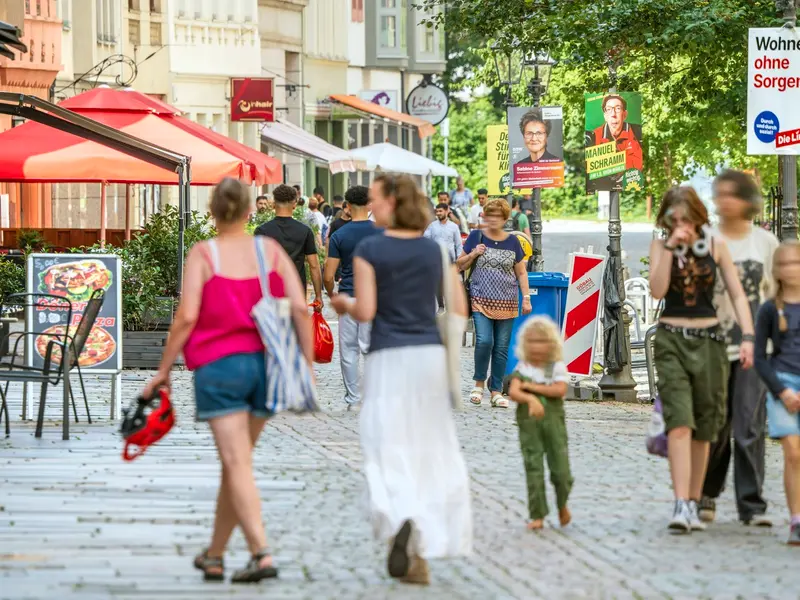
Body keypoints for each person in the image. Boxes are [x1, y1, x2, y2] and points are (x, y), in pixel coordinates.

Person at [142, 178, 313, 583]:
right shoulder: (269, 250)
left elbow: (186, 317)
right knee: (237, 463)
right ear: (251, 210)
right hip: (266, 368)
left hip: (219, 368)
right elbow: (300, 310)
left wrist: (164, 370)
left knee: (236, 462)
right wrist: (304, 366)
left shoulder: (205, 253)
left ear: (213, 211)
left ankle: (261, 553)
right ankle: (215, 554)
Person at [330, 173, 472, 585]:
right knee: (428, 448)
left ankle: (400, 517)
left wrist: (343, 302)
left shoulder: (371, 249)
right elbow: (457, 303)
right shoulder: (433, 249)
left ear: (392, 202)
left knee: (386, 444)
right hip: (428, 355)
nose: (370, 206)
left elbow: (368, 310)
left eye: (375, 199)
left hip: (389, 357)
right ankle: (420, 550)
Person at [649, 186, 754, 533]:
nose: (681, 225)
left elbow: (737, 294)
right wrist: (668, 245)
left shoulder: (714, 244)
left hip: (709, 340)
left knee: (706, 425)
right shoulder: (661, 243)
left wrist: (749, 336)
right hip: (671, 339)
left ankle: (694, 502)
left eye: (687, 219)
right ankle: (681, 504)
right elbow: (658, 290)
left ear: (698, 216)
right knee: (680, 420)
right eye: (673, 219)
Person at [699, 170, 778, 527]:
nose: (724, 201)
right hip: (711, 346)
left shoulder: (765, 243)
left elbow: (775, 295)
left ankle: (752, 504)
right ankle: (706, 495)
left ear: (747, 200)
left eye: (732, 194)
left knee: (749, 426)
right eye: (720, 194)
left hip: (755, 349)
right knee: (715, 425)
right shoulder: (706, 238)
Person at [457, 198, 532, 408]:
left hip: (507, 302)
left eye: (498, 216)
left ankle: (497, 391)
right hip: (480, 300)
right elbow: (458, 265)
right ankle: (478, 384)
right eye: (489, 216)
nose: (493, 220)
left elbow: (521, 272)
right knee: (483, 341)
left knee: (500, 348)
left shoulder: (513, 242)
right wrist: (473, 253)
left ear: (505, 219)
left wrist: (525, 298)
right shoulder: (476, 236)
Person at [754, 241, 800, 545]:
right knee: (794, 454)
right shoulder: (770, 308)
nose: (790, 269)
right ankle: (797, 520)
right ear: (777, 270)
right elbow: (759, 357)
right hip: (783, 383)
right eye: (784, 264)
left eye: (795, 263)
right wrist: (782, 391)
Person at [507, 316, 573, 531]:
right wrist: (530, 399)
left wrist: (533, 389)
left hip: (553, 421)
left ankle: (562, 503)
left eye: (542, 341)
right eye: (532, 342)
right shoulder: (523, 367)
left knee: (560, 470)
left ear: (551, 343)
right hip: (529, 423)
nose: (537, 347)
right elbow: (514, 391)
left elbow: (559, 390)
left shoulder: (555, 367)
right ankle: (537, 514)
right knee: (533, 466)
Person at [324, 185, 383, 408]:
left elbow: (329, 274)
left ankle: (353, 398)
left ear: (347, 206)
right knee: (370, 348)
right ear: (369, 205)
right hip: (373, 296)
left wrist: (332, 294)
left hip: (348, 295)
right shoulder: (381, 231)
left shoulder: (339, 235)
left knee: (348, 350)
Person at [254, 184, 323, 309]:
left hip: (271, 292)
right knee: (295, 327)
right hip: (296, 290)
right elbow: (314, 265)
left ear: (273, 204)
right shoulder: (305, 231)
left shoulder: (262, 230)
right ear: (294, 204)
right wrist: (318, 295)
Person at [587, 94, 643, 172]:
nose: (613, 114)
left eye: (618, 108)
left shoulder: (638, 133)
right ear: (605, 116)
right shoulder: (593, 137)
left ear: (625, 114)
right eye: (609, 109)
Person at [424, 202, 463, 311]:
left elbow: (458, 245)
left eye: (441, 211)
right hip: (435, 260)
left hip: (450, 261)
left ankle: (450, 308)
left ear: (447, 211)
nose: (438, 213)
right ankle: (440, 307)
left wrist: (458, 261)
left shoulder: (454, 227)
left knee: (449, 285)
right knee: (437, 284)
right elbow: (425, 240)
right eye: (437, 211)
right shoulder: (432, 226)